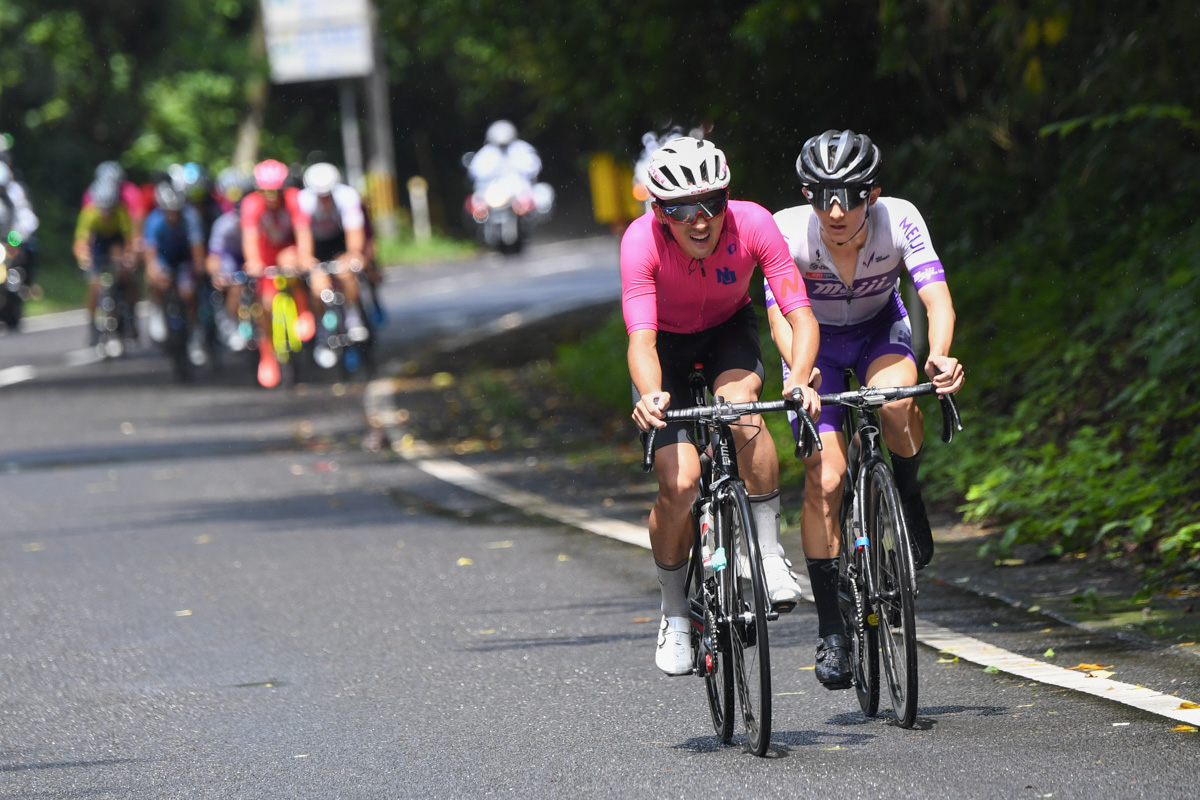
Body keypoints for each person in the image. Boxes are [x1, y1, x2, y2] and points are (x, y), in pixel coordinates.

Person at [765, 129, 965, 690]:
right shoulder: (786, 231)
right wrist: (801, 376)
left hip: (880, 330)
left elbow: (935, 295)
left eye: (848, 195)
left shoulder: (900, 217)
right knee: (824, 479)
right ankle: (832, 629)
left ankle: (906, 493)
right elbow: (781, 318)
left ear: (871, 194)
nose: (834, 210)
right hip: (814, 345)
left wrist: (941, 357)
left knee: (899, 402)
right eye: (821, 194)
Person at [622, 136, 822, 676]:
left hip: (728, 334)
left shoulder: (755, 224)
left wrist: (799, 379)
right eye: (681, 210)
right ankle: (674, 611)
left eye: (711, 203)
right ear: (660, 212)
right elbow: (641, 341)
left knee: (741, 408)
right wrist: (649, 395)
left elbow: (799, 314)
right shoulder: (640, 242)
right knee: (681, 484)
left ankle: (768, 551)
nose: (700, 220)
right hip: (666, 345)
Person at [240, 158, 314, 387]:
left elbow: (303, 231)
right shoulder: (251, 204)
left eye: (276, 191)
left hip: (287, 250)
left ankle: (302, 310)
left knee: (292, 263)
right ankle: (267, 354)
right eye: (266, 191)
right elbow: (250, 237)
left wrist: (305, 258)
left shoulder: (293, 199)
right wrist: (253, 262)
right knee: (264, 304)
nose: (271, 196)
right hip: (264, 254)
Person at [295, 161, 370, 355]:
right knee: (317, 284)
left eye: (328, 194)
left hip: (339, 240)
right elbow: (303, 235)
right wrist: (307, 261)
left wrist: (352, 255)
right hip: (315, 244)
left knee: (347, 272)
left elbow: (354, 232)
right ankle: (322, 329)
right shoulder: (302, 201)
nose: (325, 198)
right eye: (321, 195)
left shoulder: (347, 196)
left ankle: (353, 316)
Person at [143, 182, 207, 364]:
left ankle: (195, 333)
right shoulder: (154, 220)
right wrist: (153, 270)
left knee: (189, 292)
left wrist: (197, 269)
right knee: (157, 279)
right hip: (164, 258)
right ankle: (157, 310)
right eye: (168, 212)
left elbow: (197, 250)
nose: (172, 216)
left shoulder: (191, 218)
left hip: (184, 258)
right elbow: (150, 253)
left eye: (176, 211)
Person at [73, 177, 137, 346]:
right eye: (104, 210)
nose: (107, 214)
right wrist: (84, 258)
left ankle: (130, 316)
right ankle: (93, 325)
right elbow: (81, 242)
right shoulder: (90, 213)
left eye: (110, 209)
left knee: (124, 274)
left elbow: (129, 239)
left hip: (116, 242)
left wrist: (129, 257)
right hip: (98, 244)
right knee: (94, 285)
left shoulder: (121, 212)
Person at [466, 120, 542, 193]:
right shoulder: (487, 152)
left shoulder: (520, 148)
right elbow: (476, 171)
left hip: (519, 191)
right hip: (491, 191)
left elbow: (533, 167)